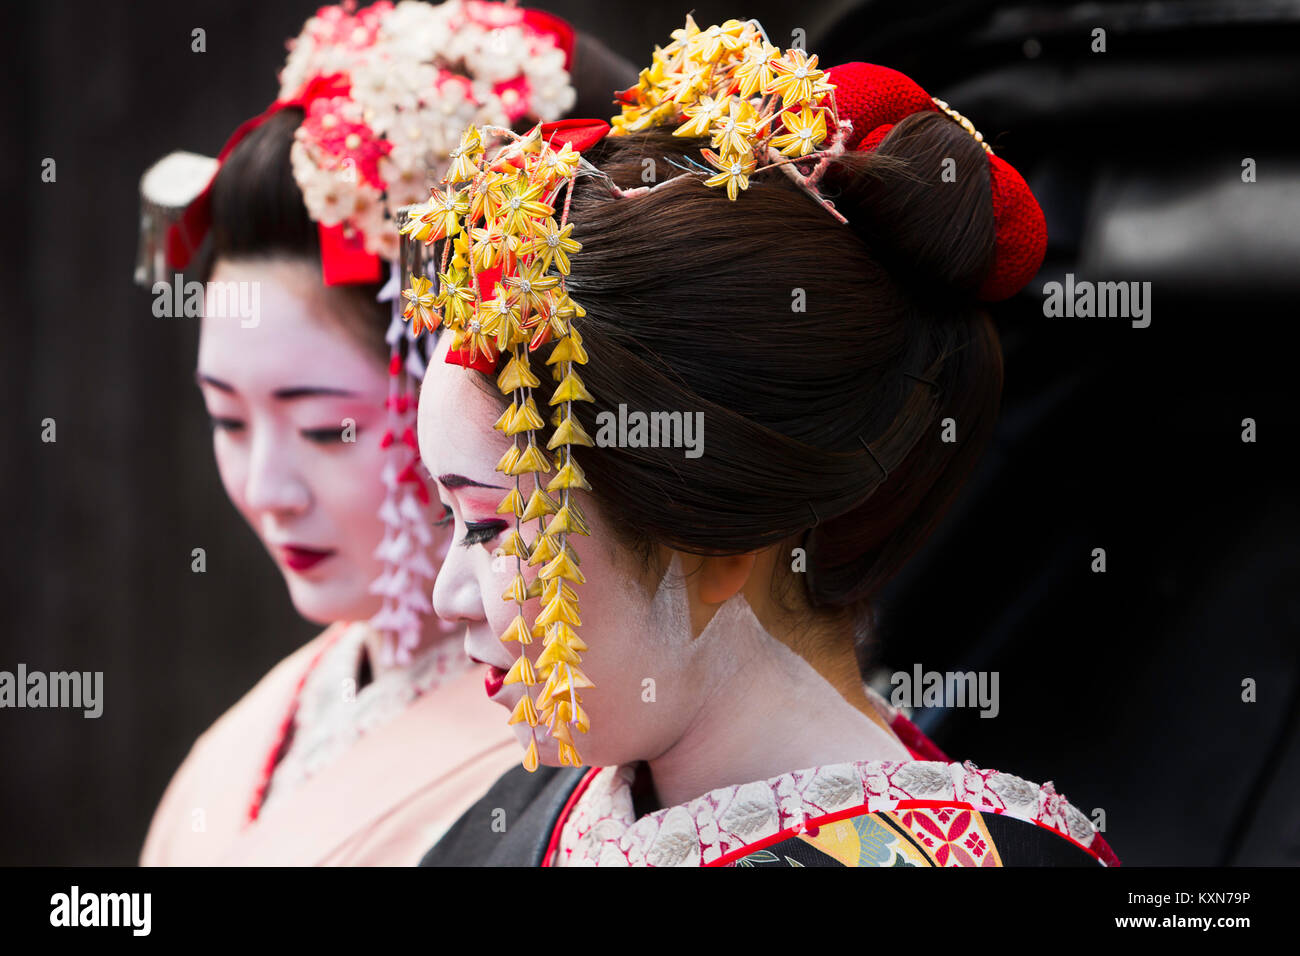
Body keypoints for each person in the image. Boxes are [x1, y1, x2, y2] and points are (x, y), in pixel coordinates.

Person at [409, 17, 1120, 866]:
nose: (446, 595)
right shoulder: (540, 802)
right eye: (453, 519)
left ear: (714, 538)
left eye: (491, 527)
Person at [136, 0, 634, 865]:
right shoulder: (261, 726)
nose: (265, 490)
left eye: (325, 429)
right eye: (226, 417)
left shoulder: (584, 743)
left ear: (467, 388)